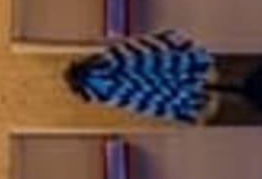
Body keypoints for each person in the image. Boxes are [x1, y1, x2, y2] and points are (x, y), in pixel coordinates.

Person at [64, 30, 220, 124]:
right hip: (192, 73)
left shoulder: (104, 88)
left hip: (190, 85)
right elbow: (153, 47)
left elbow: (145, 102)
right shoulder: (110, 60)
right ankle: (196, 86)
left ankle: (196, 91)